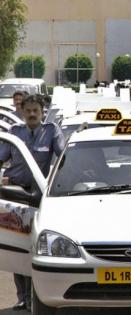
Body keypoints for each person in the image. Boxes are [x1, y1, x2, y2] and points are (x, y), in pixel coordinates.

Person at [0, 94, 65, 312]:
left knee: (36, 247)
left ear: (43, 111)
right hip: (15, 194)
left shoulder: (51, 131)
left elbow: (62, 158)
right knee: (17, 248)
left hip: (39, 195)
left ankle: (36, 296)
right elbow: (1, 157)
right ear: (22, 112)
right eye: (28, 110)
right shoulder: (14, 133)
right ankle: (22, 297)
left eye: (36, 110)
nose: (32, 114)